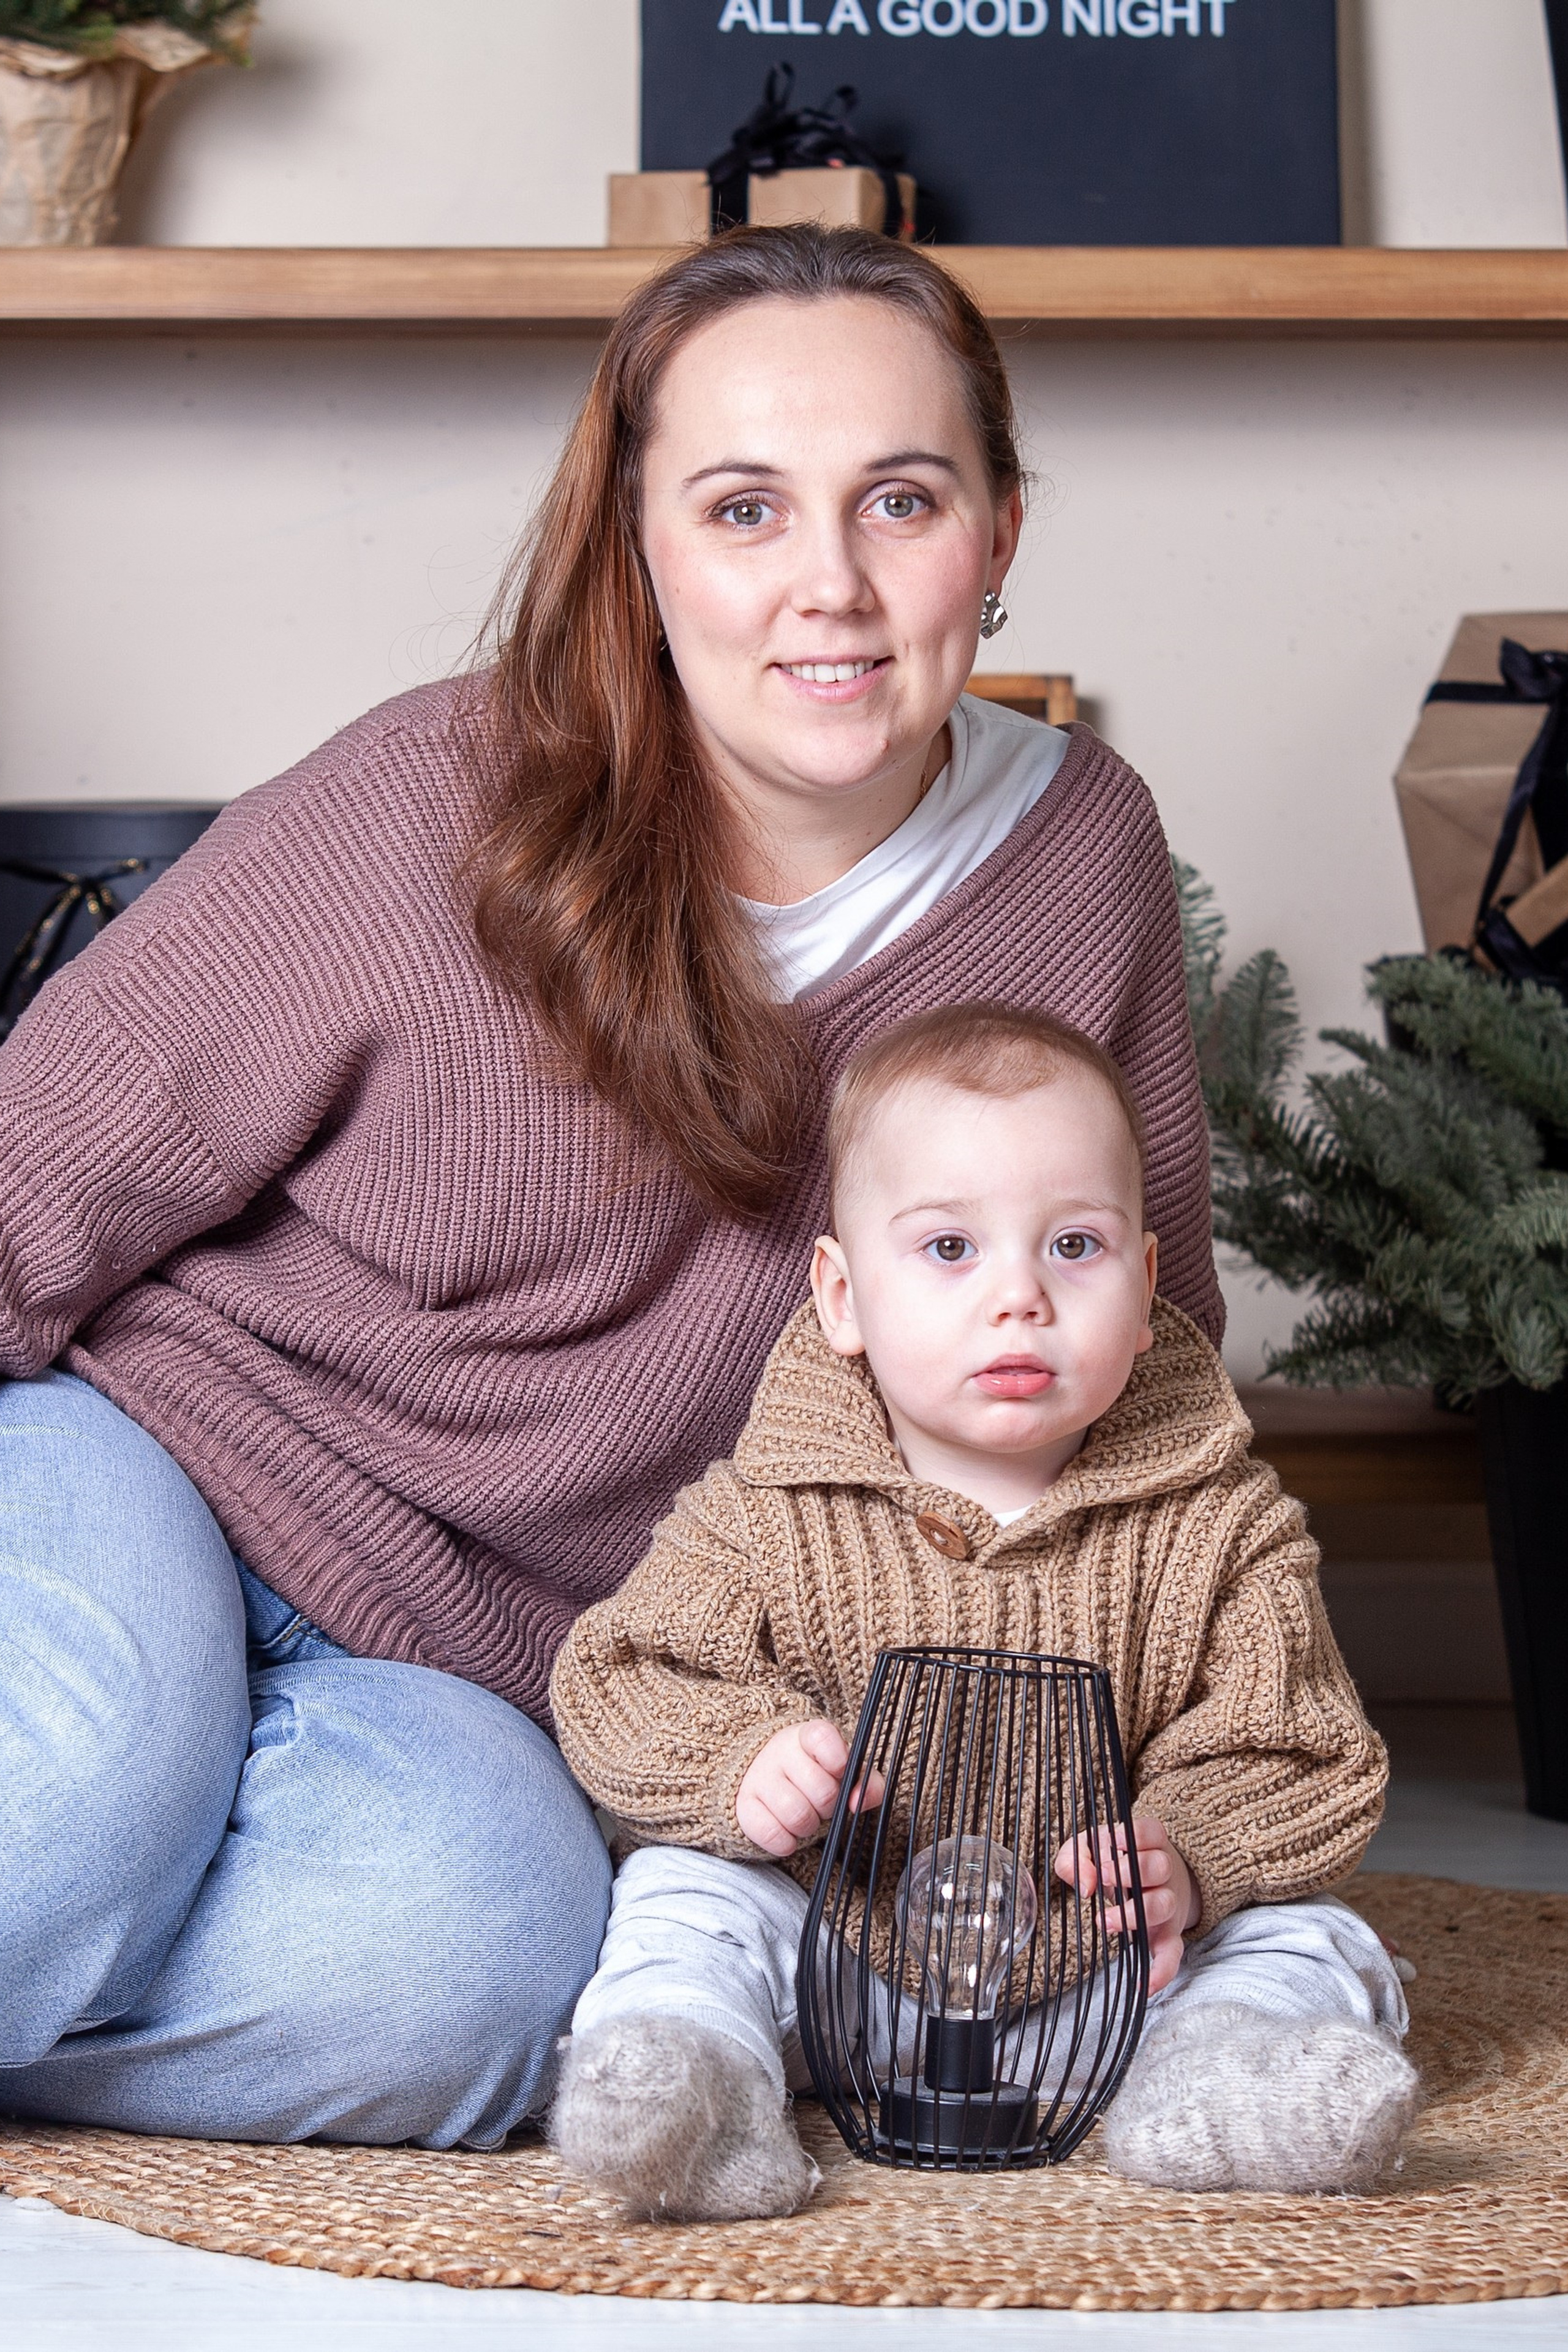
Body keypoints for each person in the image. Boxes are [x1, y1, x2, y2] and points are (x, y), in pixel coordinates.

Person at [1, 227, 1220, 2146]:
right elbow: (33, 1157)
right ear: (637, 545)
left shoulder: (1079, 860)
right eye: (744, 509)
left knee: (475, 1984)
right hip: (146, 1453)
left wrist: (1150, 1793)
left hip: (477, 1674)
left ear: (998, 528)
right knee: (73, 1802)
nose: (829, 585)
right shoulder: (434, 795)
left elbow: (1132, 1371)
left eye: (900, 500)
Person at [548, 1004, 1416, 2222]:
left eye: (1072, 1246)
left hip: (1113, 1982)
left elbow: (1298, 1747)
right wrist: (738, 1762)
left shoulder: (1224, 1525)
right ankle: (697, 2089)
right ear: (842, 1298)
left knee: (1318, 1938)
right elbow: (624, 1674)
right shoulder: (764, 1509)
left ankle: (1216, 2080)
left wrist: (1193, 1858)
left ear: (1146, 1278)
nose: (1019, 1297)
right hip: (837, 1959)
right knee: (681, 1902)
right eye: (949, 1251)